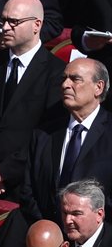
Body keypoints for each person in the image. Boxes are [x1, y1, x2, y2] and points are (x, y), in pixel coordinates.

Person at [0, 0, 65, 195]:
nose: (5, 28)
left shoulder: (57, 73)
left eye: (14, 22)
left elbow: (49, 134)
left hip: (27, 184)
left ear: (36, 25)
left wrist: (4, 171)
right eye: (3, 20)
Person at [10, 59, 112, 226]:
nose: (65, 85)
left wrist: (90, 232)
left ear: (98, 87)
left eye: (75, 79)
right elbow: (28, 191)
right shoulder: (44, 134)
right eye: (64, 78)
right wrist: (50, 229)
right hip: (47, 232)